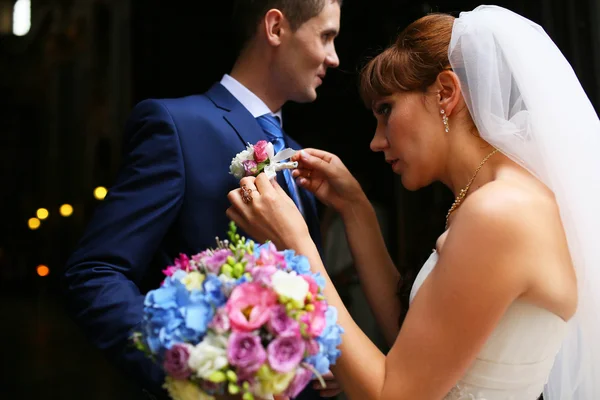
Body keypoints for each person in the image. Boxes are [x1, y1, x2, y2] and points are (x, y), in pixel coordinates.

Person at [226, 5, 600, 400]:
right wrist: (355, 209)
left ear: (446, 92)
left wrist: (296, 246)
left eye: (386, 110)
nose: (376, 141)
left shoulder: (499, 212)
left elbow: (394, 393)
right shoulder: (500, 197)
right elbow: (417, 348)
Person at [61, 1, 342, 399]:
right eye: (326, 36)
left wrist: (314, 357)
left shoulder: (298, 158)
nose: (334, 58)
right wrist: (191, 368)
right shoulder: (177, 127)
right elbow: (95, 271)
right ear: (276, 28)